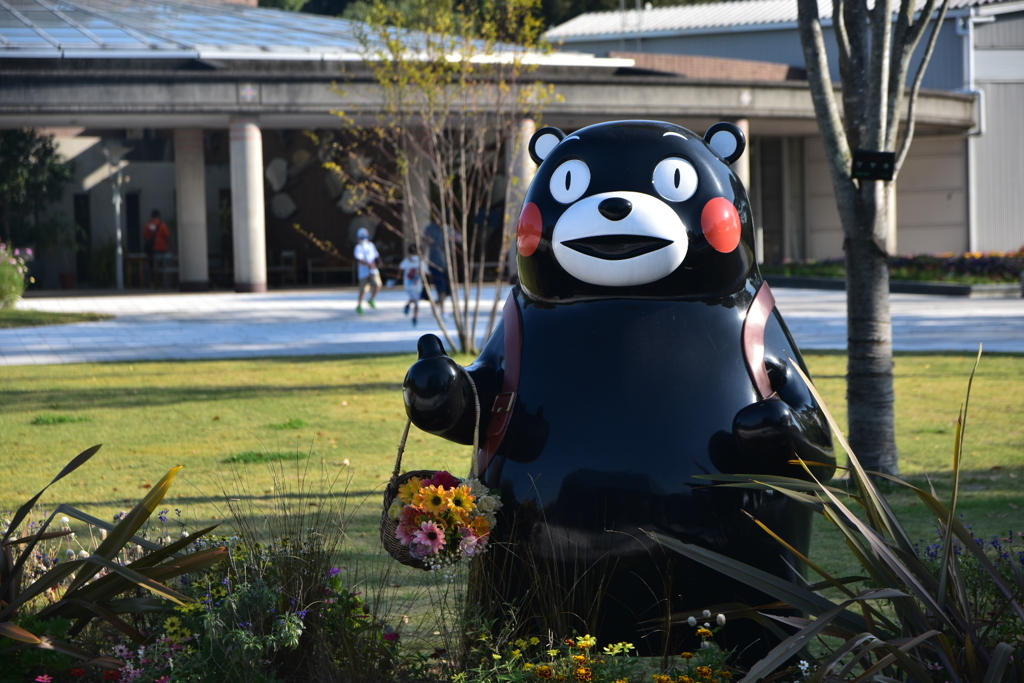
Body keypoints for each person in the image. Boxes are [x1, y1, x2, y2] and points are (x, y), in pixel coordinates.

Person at [422, 219, 452, 315]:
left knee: (448, 291)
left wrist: (452, 238)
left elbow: (460, 238)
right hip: (434, 263)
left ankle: (436, 305)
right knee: (441, 288)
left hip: (447, 264)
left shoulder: (448, 229)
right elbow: (424, 243)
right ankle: (442, 311)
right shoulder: (430, 229)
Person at [354, 227, 381, 314]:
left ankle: (371, 299)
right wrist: (369, 264)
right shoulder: (358, 247)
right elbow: (359, 259)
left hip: (373, 270)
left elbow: (376, 255)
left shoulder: (371, 245)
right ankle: (359, 305)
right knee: (363, 289)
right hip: (364, 271)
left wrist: (379, 262)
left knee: (378, 284)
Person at [142, 209, 171, 288]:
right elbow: (167, 236)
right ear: (158, 216)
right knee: (161, 267)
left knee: (152, 267)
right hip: (161, 249)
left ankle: (153, 283)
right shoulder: (162, 225)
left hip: (150, 250)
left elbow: (144, 236)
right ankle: (161, 283)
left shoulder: (148, 225)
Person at [398, 244, 423, 326]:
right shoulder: (418, 261)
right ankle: (414, 316)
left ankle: (411, 310)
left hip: (415, 284)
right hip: (412, 285)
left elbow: (401, 268)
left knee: (415, 300)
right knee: (416, 301)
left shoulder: (417, 261)